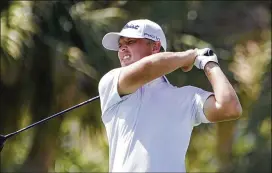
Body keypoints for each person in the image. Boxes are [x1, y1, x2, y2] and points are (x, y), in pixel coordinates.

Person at [98, 19, 242, 172]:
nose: (122, 49)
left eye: (130, 41)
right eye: (120, 45)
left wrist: (209, 64)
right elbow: (148, 67)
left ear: (155, 47)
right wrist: (189, 56)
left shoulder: (187, 97)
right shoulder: (111, 82)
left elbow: (230, 107)